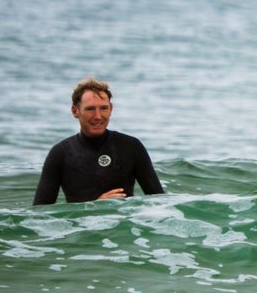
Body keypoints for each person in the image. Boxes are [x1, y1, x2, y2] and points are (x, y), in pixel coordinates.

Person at [33, 77, 164, 205]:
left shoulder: (131, 147)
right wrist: (96, 205)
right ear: (75, 111)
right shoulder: (61, 153)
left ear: (111, 109)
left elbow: (160, 201)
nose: (98, 116)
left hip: (124, 223)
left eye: (103, 108)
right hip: (82, 225)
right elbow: (40, 211)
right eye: (90, 109)